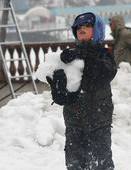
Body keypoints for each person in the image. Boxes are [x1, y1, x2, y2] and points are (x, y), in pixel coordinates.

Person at [46, 12, 117, 170]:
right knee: (75, 166)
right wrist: (58, 87)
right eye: (78, 27)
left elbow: (105, 72)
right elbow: (63, 98)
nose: (82, 28)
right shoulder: (69, 58)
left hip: (99, 125)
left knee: (101, 165)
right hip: (74, 127)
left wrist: (82, 54)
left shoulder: (104, 54)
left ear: (97, 29)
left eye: (87, 25)